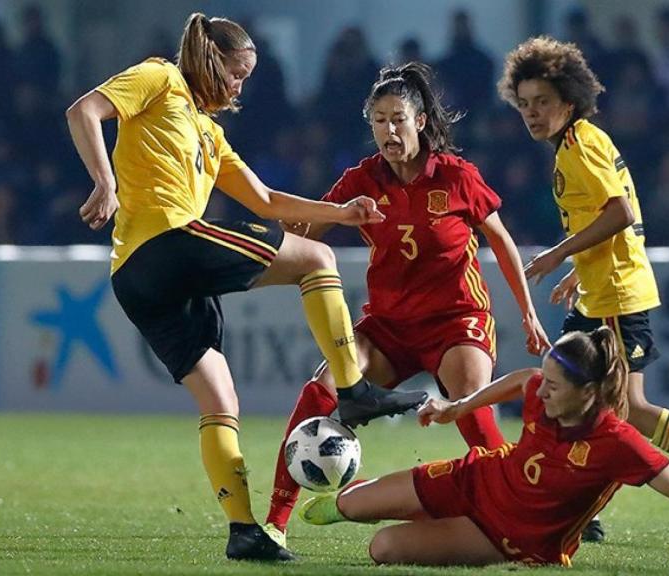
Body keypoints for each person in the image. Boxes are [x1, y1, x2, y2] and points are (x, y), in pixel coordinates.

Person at [64, 13, 428, 562]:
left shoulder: (210, 135)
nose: (239, 86)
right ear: (210, 58)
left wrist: (342, 212)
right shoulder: (160, 77)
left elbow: (267, 201)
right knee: (317, 258)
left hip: (136, 280)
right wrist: (104, 180)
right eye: (237, 73)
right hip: (167, 242)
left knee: (220, 400)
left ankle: (244, 532)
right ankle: (352, 391)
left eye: (245, 77)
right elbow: (84, 110)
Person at [264, 62, 551, 545]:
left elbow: (500, 241)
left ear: (419, 121)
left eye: (398, 118)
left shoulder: (457, 177)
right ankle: (274, 523)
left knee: (468, 405)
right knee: (320, 391)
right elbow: (309, 232)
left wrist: (526, 310)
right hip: (389, 329)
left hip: (456, 322)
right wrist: (311, 222)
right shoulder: (362, 180)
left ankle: (524, 505)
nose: (388, 130)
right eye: (379, 120)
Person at [497, 36, 669, 541]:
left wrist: (558, 255)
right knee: (571, 394)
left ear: (568, 103)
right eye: (524, 104)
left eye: (543, 103)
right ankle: (584, 510)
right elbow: (620, 215)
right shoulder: (579, 143)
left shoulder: (578, 147)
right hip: (602, 290)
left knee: (626, 409)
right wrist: (581, 270)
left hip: (619, 296)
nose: (532, 114)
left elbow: (618, 212)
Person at [299, 328, 669, 571]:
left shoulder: (617, 442)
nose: (542, 391)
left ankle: (429, 517)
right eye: (545, 380)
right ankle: (385, 505)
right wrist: (455, 407)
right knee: (350, 504)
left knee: (383, 548)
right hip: (477, 478)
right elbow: (522, 379)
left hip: (506, 536)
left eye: (554, 386)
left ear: (587, 392)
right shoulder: (541, 390)